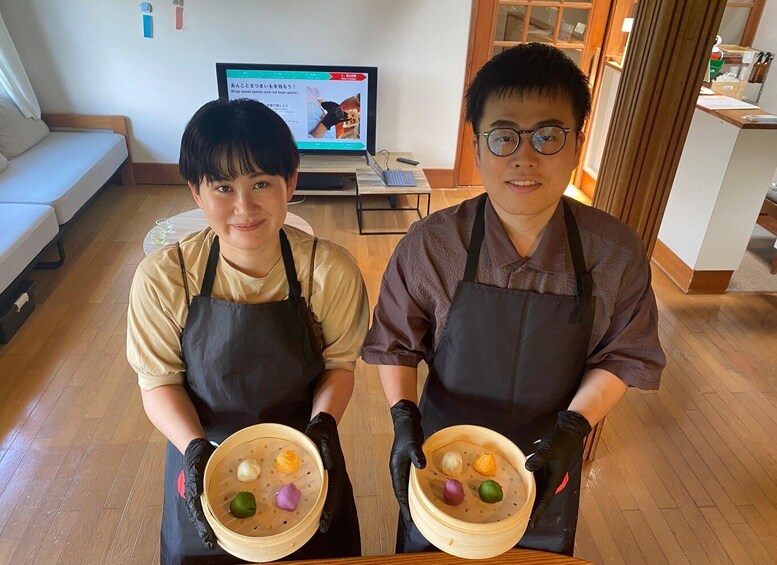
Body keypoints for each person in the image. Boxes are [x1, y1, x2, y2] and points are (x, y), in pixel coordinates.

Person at [361, 43, 666, 556]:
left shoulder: (614, 252)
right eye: (504, 136)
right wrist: (402, 420)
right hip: (440, 454)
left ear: (577, 144)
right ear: (477, 147)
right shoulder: (432, 244)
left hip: (547, 457)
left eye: (548, 135)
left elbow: (623, 355)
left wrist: (572, 431)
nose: (525, 157)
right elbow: (394, 343)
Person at [127, 98, 368, 564]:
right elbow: (158, 382)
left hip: (304, 458)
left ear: (290, 183)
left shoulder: (327, 270)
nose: (244, 206)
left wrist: (322, 427)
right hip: (203, 454)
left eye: (261, 183)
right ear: (196, 192)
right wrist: (195, 449)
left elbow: (339, 365)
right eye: (223, 186)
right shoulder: (165, 278)